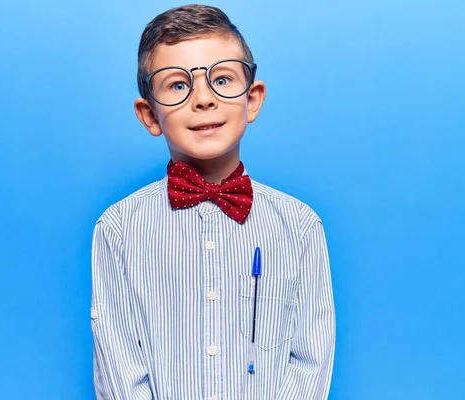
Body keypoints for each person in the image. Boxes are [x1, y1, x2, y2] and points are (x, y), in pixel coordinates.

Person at [90, 4, 335, 399]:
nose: (203, 99)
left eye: (222, 79)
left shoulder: (300, 227)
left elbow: (310, 360)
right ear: (149, 115)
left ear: (252, 99)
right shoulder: (118, 230)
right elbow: (119, 368)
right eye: (177, 85)